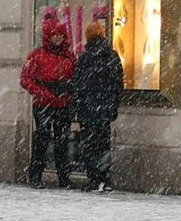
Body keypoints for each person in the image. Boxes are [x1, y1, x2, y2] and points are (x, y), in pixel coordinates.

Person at [21, 12, 77, 189]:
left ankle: (64, 177)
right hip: (44, 104)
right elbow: (25, 79)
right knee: (41, 141)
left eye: (61, 35)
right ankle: (36, 175)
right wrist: (43, 93)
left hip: (63, 104)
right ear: (48, 36)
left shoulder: (69, 57)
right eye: (55, 35)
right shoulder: (36, 56)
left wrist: (68, 89)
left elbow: (76, 77)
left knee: (62, 141)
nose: (58, 38)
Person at [71, 18, 124, 193]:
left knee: (89, 145)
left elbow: (78, 85)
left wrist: (78, 106)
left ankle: (94, 178)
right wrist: (113, 104)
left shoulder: (85, 58)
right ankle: (104, 178)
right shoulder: (112, 56)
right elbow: (118, 84)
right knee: (103, 144)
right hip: (104, 109)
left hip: (89, 109)